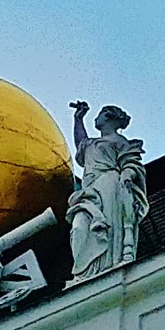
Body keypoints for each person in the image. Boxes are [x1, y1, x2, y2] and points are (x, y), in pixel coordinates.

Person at [66, 103, 149, 279]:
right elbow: (81, 143)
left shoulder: (119, 141)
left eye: (100, 114)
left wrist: (126, 174)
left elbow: (131, 163)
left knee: (109, 225)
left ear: (109, 117)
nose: (96, 118)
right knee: (79, 226)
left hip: (109, 185)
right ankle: (85, 272)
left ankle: (110, 262)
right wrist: (78, 119)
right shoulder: (92, 143)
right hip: (88, 191)